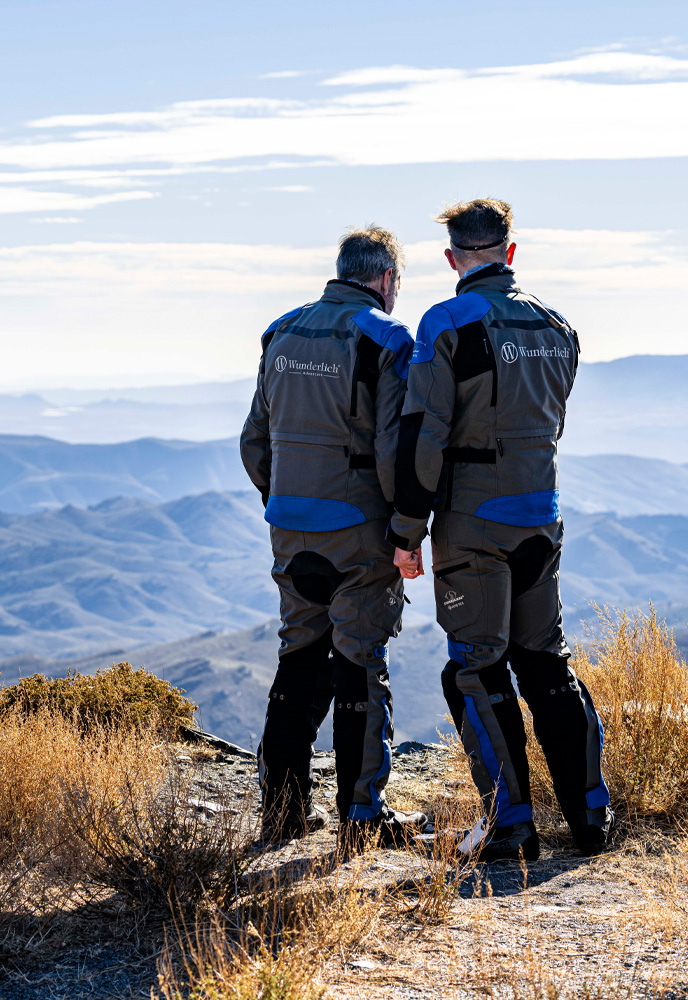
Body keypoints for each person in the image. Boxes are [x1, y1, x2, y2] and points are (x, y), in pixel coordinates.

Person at [386, 199, 612, 861]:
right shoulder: (555, 324)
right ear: (510, 253)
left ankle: (512, 825)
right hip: (541, 512)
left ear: (453, 258)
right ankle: (592, 816)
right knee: (546, 663)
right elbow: (553, 414)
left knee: (475, 669)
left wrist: (407, 529)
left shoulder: (449, 322)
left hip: (473, 523)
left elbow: (423, 432)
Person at [241, 226, 429, 848]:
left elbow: (254, 439)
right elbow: (391, 448)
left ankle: (282, 812)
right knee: (359, 663)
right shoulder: (385, 337)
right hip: (356, 530)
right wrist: (405, 529)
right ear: (384, 279)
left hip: (291, 527)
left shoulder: (282, 331)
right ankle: (361, 818)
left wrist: (282, 499)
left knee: (298, 655)